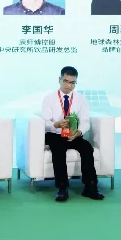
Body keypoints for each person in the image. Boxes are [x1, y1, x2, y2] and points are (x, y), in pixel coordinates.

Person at [41, 66, 104, 202]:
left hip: (73, 134)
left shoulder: (81, 99)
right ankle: (62, 187)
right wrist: (56, 124)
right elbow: (44, 122)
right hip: (54, 133)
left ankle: (90, 186)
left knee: (87, 148)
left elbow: (85, 121)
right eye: (66, 81)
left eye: (72, 83)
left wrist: (79, 132)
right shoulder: (49, 98)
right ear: (59, 79)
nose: (69, 85)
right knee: (58, 148)